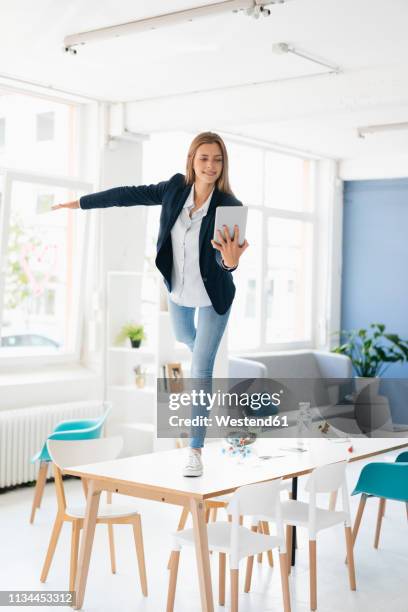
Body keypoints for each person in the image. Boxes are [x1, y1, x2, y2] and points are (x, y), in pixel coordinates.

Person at [52, 131, 249, 476]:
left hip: (214, 295)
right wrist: (82, 203)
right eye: (204, 158)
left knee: (200, 371)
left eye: (217, 159)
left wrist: (231, 262)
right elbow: (127, 195)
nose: (211, 166)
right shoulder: (174, 189)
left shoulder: (229, 207)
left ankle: (195, 451)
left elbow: (226, 261)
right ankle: (204, 350)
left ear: (223, 164)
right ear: (191, 160)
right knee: (184, 338)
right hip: (177, 292)